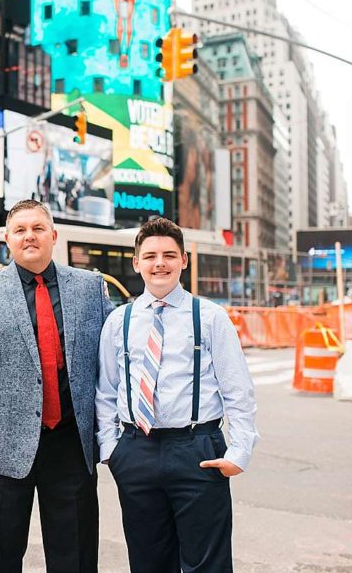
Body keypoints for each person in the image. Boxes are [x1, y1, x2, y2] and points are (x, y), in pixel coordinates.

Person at [0, 199, 113, 573]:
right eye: (20, 230)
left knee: (75, 556)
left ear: (54, 236)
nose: (30, 236)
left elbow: (112, 363)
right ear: (7, 239)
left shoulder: (91, 287)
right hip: (2, 449)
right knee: (1, 558)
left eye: (38, 228)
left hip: (73, 444)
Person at [96, 217, 258, 572]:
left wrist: (239, 451)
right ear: (136, 262)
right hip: (136, 449)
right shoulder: (118, 321)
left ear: (184, 260)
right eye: (150, 255)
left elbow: (238, 390)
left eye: (169, 255)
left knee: (207, 563)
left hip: (197, 449)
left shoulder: (211, 317)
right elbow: (106, 391)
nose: (160, 263)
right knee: (148, 561)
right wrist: (111, 449)